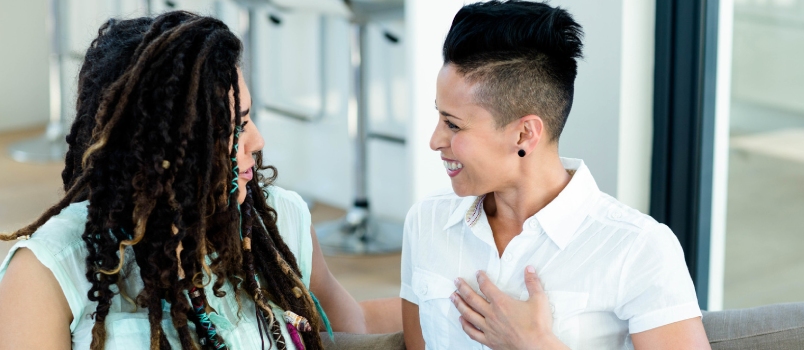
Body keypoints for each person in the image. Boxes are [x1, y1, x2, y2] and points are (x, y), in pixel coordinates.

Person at [0, 12, 399, 350]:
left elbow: (353, 324)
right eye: (235, 127)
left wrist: (442, 302)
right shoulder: (48, 270)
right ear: (166, 151)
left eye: (249, 118)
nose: (257, 141)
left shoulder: (276, 221)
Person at [400, 1, 711, 349]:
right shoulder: (425, 222)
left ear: (524, 135)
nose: (435, 140)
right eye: (439, 117)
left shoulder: (639, 249)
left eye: (453, 124)